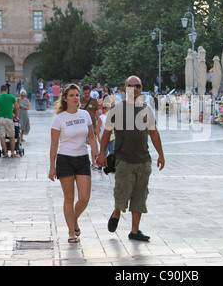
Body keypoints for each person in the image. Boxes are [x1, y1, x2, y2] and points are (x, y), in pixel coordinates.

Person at [97, 75, 165, 242]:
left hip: (143, 160)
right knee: (122, 192)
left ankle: (134, 231)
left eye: (138, 86)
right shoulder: (117, 109)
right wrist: (101, 154)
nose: (134, 89)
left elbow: (154, 133)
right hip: (124, 160)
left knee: (140, 196)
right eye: (131, 86)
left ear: (141, 89)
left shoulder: (146, 109)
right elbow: (106, 133)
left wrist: (161, 155)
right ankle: (117, 212)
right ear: (125, 88)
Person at [48, 84, 99, 244]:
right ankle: (71, 231)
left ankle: (74, 219)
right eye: (72, 95)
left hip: (83, 159)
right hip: (65, 160)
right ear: (65, 98)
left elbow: (91, 138)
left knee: (84, 198)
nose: (75, 97)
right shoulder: (59, 119)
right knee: (69, 197)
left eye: (77, 95)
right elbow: (54, 144)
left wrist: (96, 155)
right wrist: (51, 166)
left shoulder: (85, 115)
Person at [0, 85, 20, 158]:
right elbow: (17, 107)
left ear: (0, 90)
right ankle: (12, 152)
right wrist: (16, 115)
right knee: (12, 136)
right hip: (9, 118)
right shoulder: (11, 97)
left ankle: (5, 153)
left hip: (0, 118)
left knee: (2, 137)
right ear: (7, 90)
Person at [80, 85, 100, 167]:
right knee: (81, 144)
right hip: (81, 125)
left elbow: (97, 113)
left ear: (90, 92)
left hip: (93, 125)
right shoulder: (80, 100)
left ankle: (94, 161)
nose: (86, 95)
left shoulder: (94, 101)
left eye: (88, 93)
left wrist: (99, 123)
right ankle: (83, 161)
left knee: (93, 143)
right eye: (85, 93)